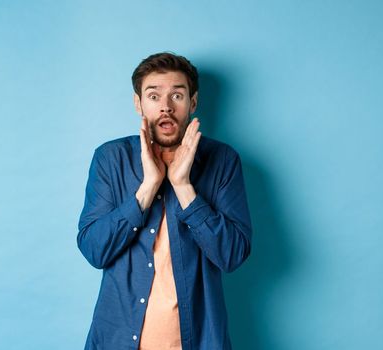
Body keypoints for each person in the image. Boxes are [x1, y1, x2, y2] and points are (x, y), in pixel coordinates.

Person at [77, 52, 253, 350]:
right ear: (139, 103)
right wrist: (148, 187)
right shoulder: (111, 159)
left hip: (198, 341)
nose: (166, 107)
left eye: (177, 95)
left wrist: (184, 187)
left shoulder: (222, 161)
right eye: (154, 95)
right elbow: (95, 250)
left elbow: (232, 255)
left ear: (193, 103)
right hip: (118, 340)